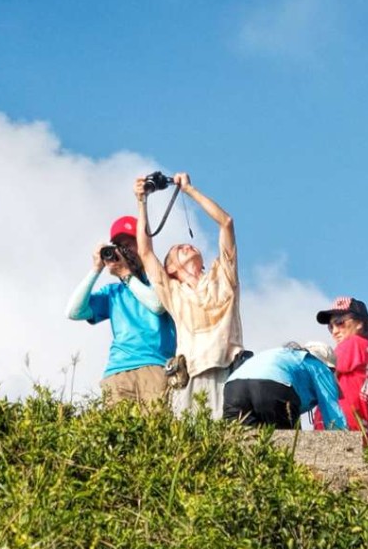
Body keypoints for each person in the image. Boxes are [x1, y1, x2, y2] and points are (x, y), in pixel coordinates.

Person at [134, 172, 245, 418]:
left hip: (227, 372)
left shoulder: (222, 277)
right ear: (170, 269)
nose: (186, 246)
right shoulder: (173, 292)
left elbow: (226, 222)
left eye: (188, 245)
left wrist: (189, 191)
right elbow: (145, 251)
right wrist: (141, 201)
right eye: (177, 250)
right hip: (190, 376)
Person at [65, 215, 176, 405]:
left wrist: (126, 275)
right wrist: (96, 269)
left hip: (155, 366)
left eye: (130, 244)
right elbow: (73, 311)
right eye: (119, 246)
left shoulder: (161, 280)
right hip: (117, 371)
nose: (125, 251)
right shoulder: (114, 293)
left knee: (154, 431)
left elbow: (157, 305)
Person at [313, 297, 368, 446]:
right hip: (361, 437)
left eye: (340, 322)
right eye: (330, 327)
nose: (335, 331)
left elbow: (319, 377)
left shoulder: (353, 344)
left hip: (336, 433)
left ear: (360, 323)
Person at [223, 341, 346, 430]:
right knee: (288, 449)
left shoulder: (285, 355)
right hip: (273, 385)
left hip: (233, 386)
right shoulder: (319, 365)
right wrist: (344, 445)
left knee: (240, 444)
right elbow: (332, 411)